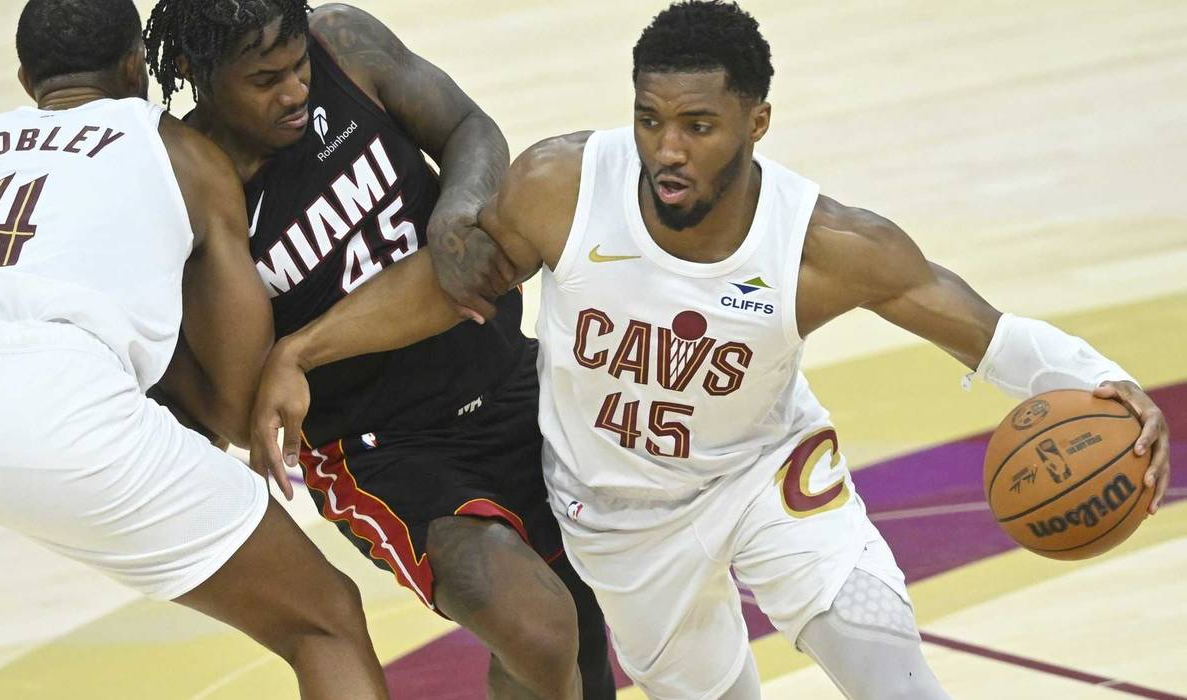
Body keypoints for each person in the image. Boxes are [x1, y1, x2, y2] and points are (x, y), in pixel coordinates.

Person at [264, 2, 1174, 698]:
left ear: (756, 122)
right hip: (620, 519)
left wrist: (1101, 382)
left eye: (697, 125)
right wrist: (301, 350)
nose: (667, 148)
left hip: (764, 478)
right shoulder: (563, 185)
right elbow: (444, 284)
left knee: (880, 656)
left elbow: (986, 333)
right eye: (649, 118)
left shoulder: (824, 244)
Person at [142, 2, 614, 698]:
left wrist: (458, 204)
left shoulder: (345, 44)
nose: (296, 89)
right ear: (193, 71)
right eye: (266, 78)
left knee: (583, 628)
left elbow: (465, 128)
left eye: (298, 66)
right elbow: (222, 390)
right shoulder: (187, 183)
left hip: (508, 371)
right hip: (381, 450)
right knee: (538, 632)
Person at [0, 1, 388, 697]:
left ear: (27, 78)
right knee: (322, 621)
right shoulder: (180, 150)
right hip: (65, 408)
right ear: (133, 67)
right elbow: (239, 409)